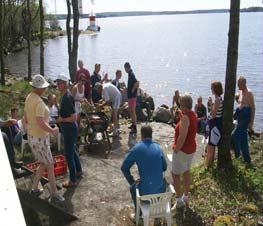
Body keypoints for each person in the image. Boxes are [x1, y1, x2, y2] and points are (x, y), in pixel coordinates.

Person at [24, 74, 64, 201]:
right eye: (44, 87)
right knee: (50, 164)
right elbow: (41, 122)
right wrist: (52, 130)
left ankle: (35, 187)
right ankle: (54, 194)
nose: (45, 89)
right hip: (40, 138)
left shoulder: (29, 97)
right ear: (39, 88)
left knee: (43, 162)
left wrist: (28, 129)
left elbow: (25, 117)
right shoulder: (39, 102)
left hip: (32, 136)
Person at [121, 125, 167, 210]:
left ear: (141, 135)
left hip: (145, 190)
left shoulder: (136, 148)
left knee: (133, 188)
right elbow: (165, 167)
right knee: (163, 181)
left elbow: (124, 167)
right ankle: (157, 214)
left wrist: (132, 182)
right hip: (160, 189)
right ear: (151, 135)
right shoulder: (158, 147)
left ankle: (140, 214)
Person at [55, 73, 82, 188]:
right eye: (57, 83)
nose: (57, 85)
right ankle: (79, 171)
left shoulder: (67, 97)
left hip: (70, 129)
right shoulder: (65, 95)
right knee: (73, 151)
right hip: (69, 129)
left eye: (59, 83)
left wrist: (62, 119)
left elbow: (74, 117)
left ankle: (72, 180)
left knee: (68, 154)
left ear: (65, 84)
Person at [171, 94, 197, 208]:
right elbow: (187, 122)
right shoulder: (192, 115)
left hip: (182, 150)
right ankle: (186, 196)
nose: (179, 106)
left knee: (175, 174)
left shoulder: (186, 118)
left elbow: (182, 136)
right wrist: (181, 115)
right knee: (186, 172)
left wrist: (176, 149)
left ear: (184, 106)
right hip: (190, 149)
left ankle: (179, 199)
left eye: (180, 104)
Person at [205, 81, 223, 167]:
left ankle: (207, 166)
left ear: (215, 89)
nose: (211, 89)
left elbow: (213, 114)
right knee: (211, 145)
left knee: (211, 147)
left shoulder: (217, 100)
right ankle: (209, 164)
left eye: (212, 88)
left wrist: (210, 103)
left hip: (215, 124)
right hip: (215, 123)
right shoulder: (218, 99)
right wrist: (210, 104)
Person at [124, 62, 139, 134]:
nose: (125, 70)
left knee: (133, 111)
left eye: (125, 69)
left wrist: (133, 89)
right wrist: (128, 89)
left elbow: (137, 82)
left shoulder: (132, 74)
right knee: (130, 110)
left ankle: (135, 127)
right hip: (130, 96)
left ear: (127, 67)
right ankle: (133, 124)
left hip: (132, 96)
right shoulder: (130, 74)